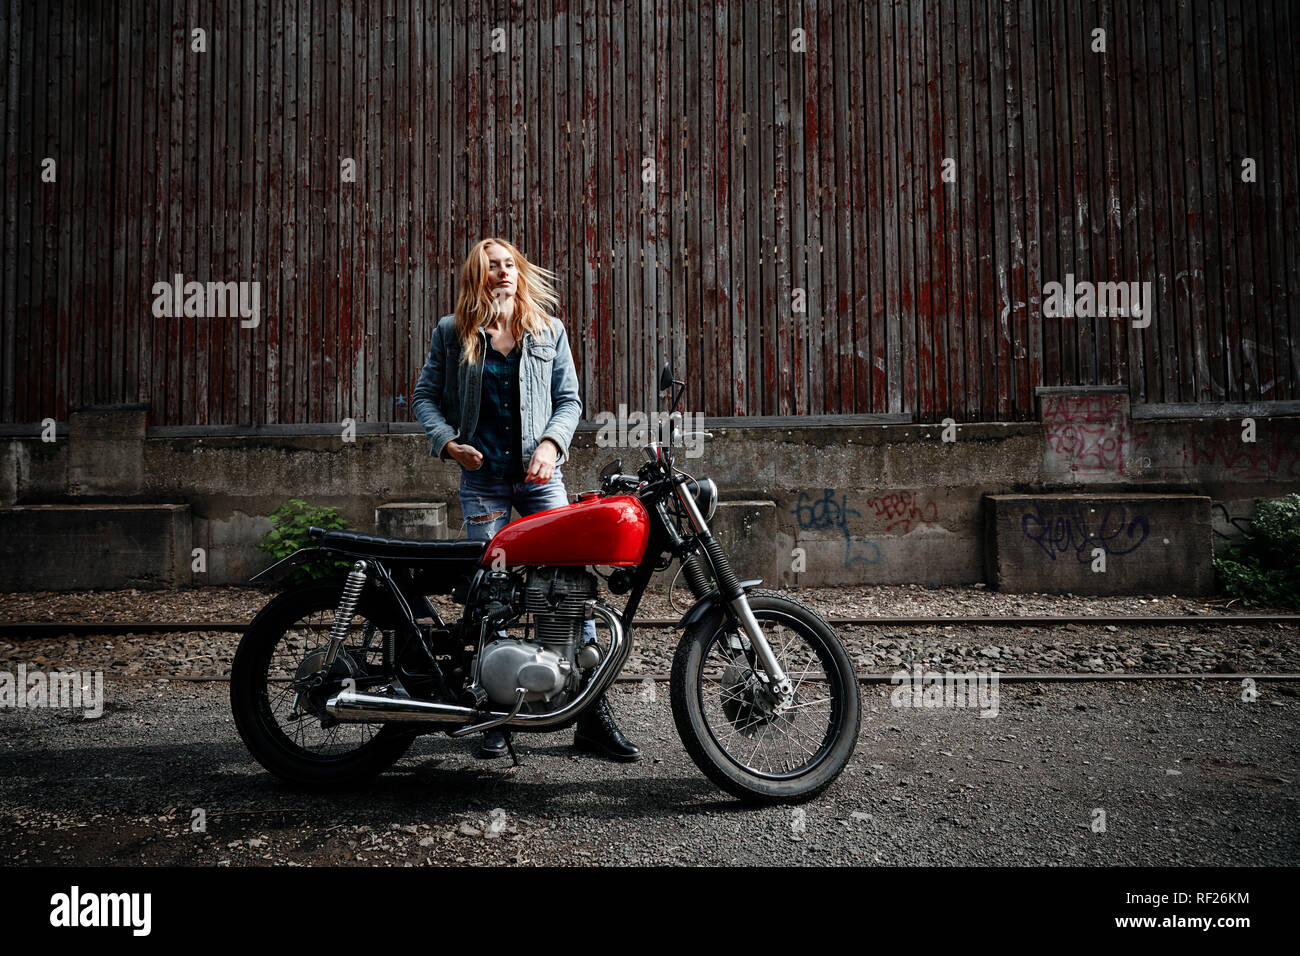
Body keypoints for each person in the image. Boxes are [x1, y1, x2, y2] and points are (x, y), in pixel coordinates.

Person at [411, 237, 639, 762]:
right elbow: (425, 396)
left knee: (568, 590)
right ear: (477, 275)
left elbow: (569, 400)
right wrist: (448, 444)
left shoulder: (547, 330)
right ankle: (494, 714)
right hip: (483, 481)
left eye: (509, 265)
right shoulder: (453, 333)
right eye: (492, 266)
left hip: (541, 481)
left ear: (520, 272)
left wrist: (552, 444)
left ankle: (588, 716)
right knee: (490, 596)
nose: (503, 273)